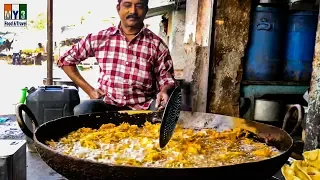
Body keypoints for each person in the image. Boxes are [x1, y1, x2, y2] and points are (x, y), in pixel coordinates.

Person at [58, 0, 177, 115]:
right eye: (127, 5)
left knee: (165, 112)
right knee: (83, 110)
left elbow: (166, 80)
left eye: (139, 6)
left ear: (146, 10)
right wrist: (90, 91)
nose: (133, 11)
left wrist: (164, 91)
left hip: (143, 106)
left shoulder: (157, 45)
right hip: (106, 104)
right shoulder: (100, 38)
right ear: (118, 9)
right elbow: (66, 60)